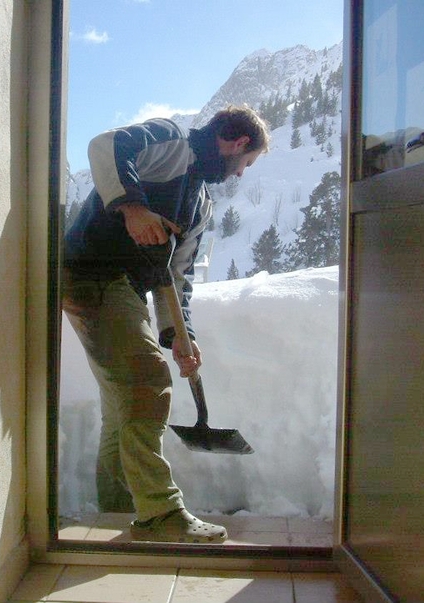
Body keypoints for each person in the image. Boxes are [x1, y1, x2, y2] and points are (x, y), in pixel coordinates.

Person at [62, 105, 270, 543]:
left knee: (123, 410)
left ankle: (118, 516)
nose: (239, 175)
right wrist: (133, 207)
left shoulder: (200, 204)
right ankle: (161, 513)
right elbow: (104, 147)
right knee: (146, 383)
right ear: (237, 143)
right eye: (245, 165)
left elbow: (176, 276)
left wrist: (180, 334)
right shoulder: (170, 141)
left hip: (127, 289)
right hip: (93, 272)